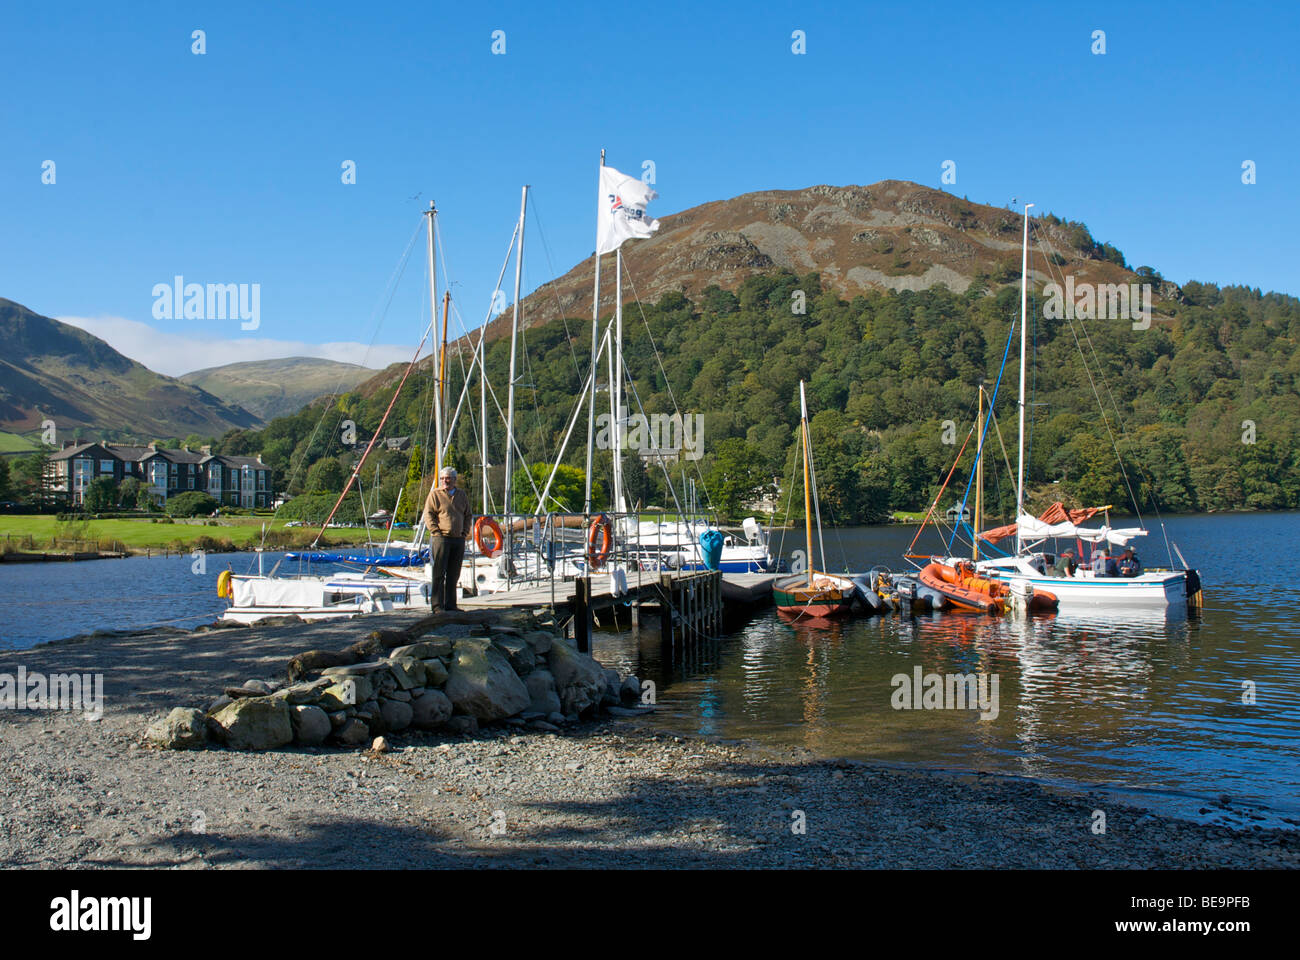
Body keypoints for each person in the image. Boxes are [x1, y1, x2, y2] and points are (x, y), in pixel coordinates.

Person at [422, 465, 472, 613]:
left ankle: (451, 604)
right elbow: (428, 514)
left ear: (455, 480)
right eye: (443, 478)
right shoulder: (435, 495)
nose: (445, 481)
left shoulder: (461, 495)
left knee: (454, 574)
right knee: (438, 573)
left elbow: (468, 515)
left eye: (448, 478)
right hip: (441, 538)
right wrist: (435, 531)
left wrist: (464, 532)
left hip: (458, 539)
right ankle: (437, 606)